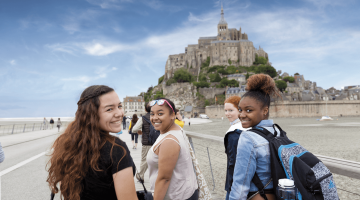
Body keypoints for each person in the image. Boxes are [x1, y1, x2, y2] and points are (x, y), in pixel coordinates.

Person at [47, 85, 138, 200]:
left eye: (119, 106)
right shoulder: (116, 149)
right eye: (109, 109)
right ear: (92, 114)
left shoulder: (69, 144)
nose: (119, 113)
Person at [229, 74, 282, 200]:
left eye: (248, 110)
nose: (241, 115)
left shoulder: (248, 138)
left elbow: (240, 184)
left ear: (264, 110)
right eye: (240, 110)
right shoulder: (278, 131)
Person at [147, 98, 198, 200]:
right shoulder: (177, 129)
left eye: (160, 114)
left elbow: (164, 179)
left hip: (174, 196)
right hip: (185, 192)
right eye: (152, 114)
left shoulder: (169, 141)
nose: (154, 118)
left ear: (172, 115)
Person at [223, 96, 248, 200]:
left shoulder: (235, 133)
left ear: (239, 110)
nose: (227, 113)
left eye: (231, 110)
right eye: (225, 110)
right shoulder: (246, 126)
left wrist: (230, 185)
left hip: (236, 182)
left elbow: (233, 162)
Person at [131, 102, 153, 181]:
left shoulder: (143, 118)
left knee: (144, 160)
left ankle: (141, 176)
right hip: (159, 142)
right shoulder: (158, 116)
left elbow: (134, 129)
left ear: (145, 109)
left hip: (147, 143)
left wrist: (142, 132)